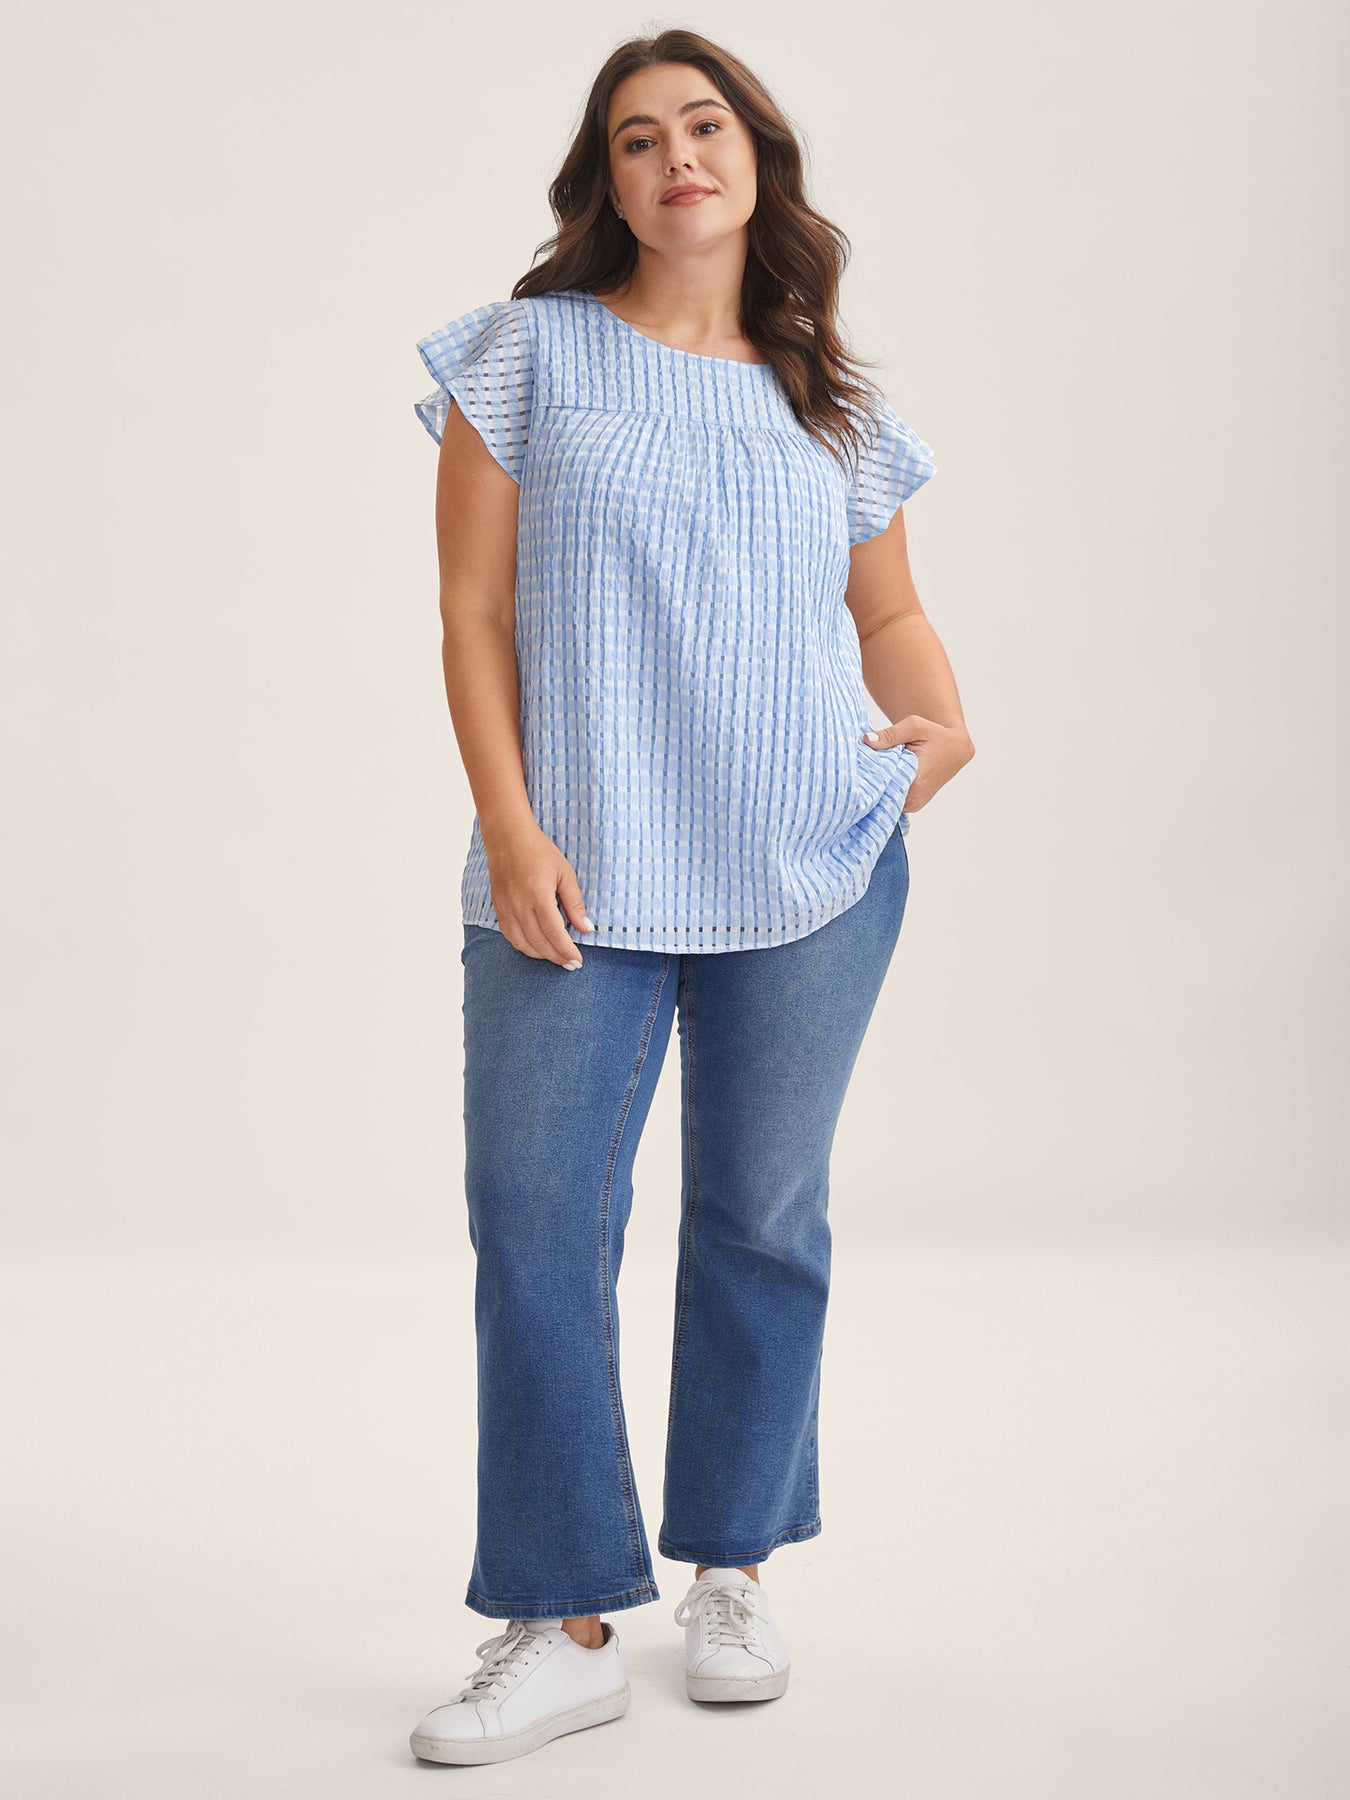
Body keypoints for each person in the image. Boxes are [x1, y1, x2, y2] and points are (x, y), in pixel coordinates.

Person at [406, 28, 974, 1768]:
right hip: (574, 869)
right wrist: (510, 825)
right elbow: (473, 613)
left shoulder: (833, 407)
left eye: (702, 125)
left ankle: (731, 1567)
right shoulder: (528, 354)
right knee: (534, 1215)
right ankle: (563, 1617)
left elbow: (888, 617)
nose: (675, 159)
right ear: (608, 179)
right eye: (637, 138)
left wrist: (942, 727)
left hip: (808, 864)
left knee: (760, 1219)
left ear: (755, 157)